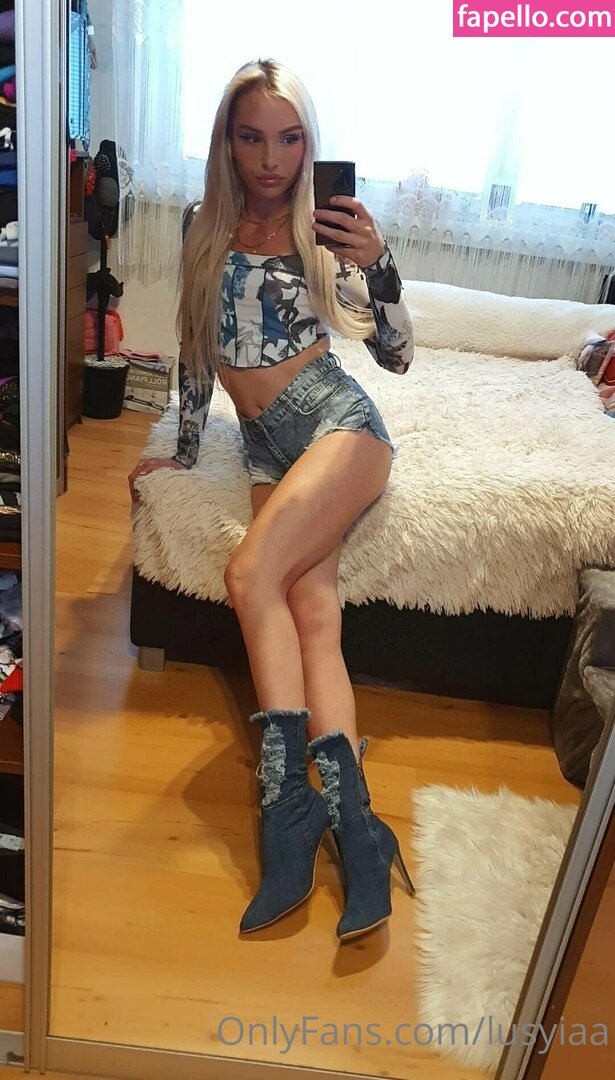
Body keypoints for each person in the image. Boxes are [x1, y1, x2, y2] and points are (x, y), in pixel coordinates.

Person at [128, 58, 416, 942]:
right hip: (263, 447)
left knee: (250, 573)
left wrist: (380, 265)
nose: (270, 160)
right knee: (311, 609)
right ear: (227, 140)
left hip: (337, 424)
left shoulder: (321, 230)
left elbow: (398, 357)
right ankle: (359, 831)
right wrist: (180, 449)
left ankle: (285, 813)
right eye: (251, 137)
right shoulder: (202, 226)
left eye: (289, 139)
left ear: (307, 144)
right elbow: (194, 348)